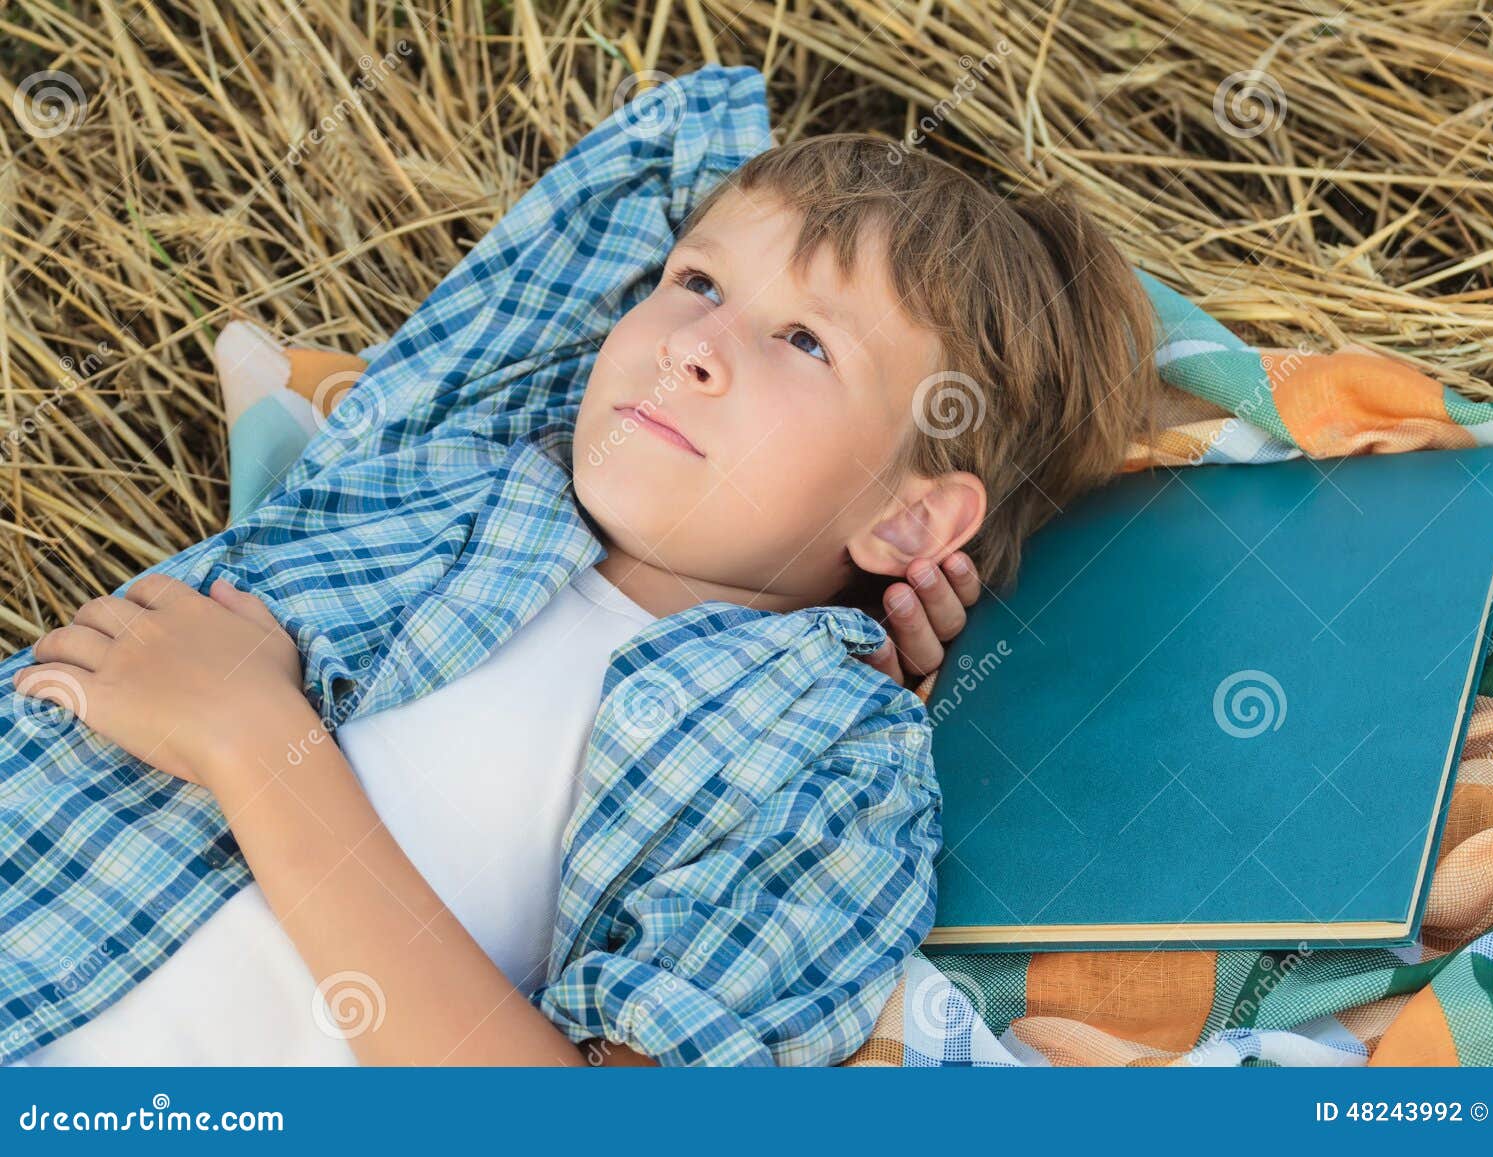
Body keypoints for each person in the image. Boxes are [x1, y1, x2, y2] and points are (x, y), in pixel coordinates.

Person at [1, 65, 1159, 1066]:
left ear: (913, 524)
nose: (696, 346)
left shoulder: (826, 764)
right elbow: (666, 149)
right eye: (697, 283)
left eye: (806, 341)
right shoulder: (456, 446)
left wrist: (257, 746)